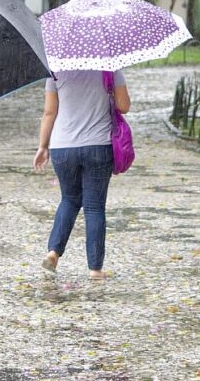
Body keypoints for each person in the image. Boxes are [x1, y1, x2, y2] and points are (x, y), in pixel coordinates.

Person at [33, 71, 131, 280]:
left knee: (69, 199)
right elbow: (124, 106)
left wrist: (42, 146)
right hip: (98, 145)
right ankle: (95, 269)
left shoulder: (55, 70)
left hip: (63, 147)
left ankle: (53, 252)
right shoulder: (109, 68)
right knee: (94, 206)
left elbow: (49, 112)